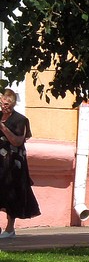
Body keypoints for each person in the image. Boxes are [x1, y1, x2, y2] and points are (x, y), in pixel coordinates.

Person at [0, 88, 41, 238]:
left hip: (12, 164)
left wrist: (3, 127)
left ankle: (10, 229)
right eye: (3, 103)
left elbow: (17, 141)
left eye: (8, 104)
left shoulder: (20, 120)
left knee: (11, 193)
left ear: (13, 104)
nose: (5, 106)